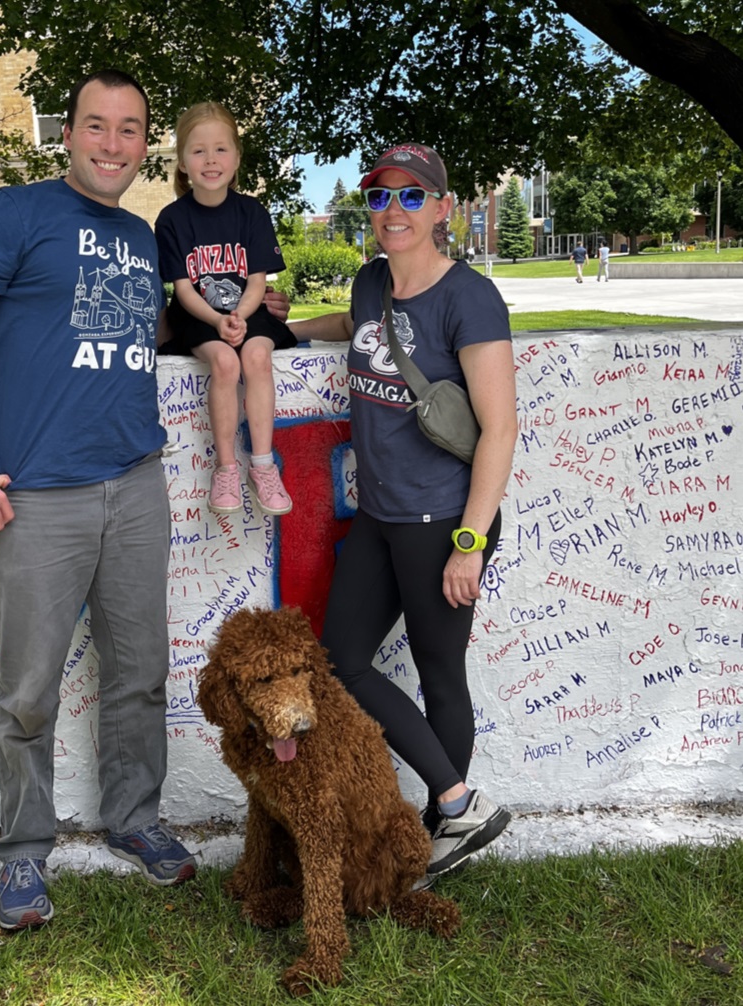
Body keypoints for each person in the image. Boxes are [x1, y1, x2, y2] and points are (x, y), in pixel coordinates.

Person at [0, 69, 198, 932]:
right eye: (97, 126)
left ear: (146, 144)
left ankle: (135, 821)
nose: (114, 144)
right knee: (28, 690)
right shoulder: (13, 214)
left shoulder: (143, 238)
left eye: (131, 129)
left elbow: (113, 337)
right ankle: (25, 852)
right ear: (66, 133)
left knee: (140, 676)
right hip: (35, 500)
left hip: (137, 486)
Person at [288, 143, 518, 886]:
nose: (394, 211)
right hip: (382, 517)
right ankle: (459, 804)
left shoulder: (469, 297)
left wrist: (470, 542)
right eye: (382, 196)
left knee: (439, 675)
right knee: (342, 658)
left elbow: (502, 428)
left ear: (443, 209)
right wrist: (285, 330)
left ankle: (443, 819)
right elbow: (350, 329)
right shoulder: (368, 285)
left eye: (412, 197)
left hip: (444, 521)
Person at [155, 102, 296, 517]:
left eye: (221, 149)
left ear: (236, 157)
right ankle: (226, 468)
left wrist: (239, 315)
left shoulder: (251, 213)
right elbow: (183, 289)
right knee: (224, 362)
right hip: (197, 314)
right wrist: (218, 320)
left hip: (247, 309)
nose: (210, 160)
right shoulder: (172, 220)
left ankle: (263, 465)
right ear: (182, 161)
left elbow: (256, 281)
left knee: (255, 355)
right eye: (198, 151)